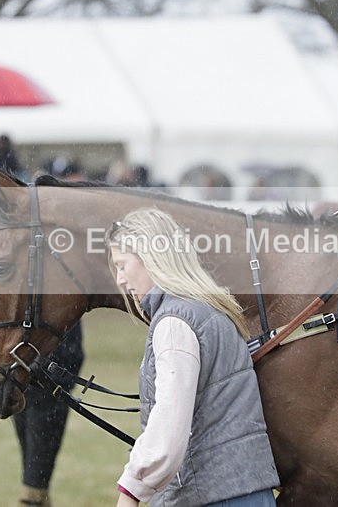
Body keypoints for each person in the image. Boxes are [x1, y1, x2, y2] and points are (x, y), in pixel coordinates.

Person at [105, 208, 279, 506]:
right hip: (247, 490)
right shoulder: (211, 309)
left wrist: (131, 491)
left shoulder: (175, 322)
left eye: (122, 264)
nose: (120, 279)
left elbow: (169, 423)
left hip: (211, 496)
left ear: (148, 256)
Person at [13, 323, 84, 506]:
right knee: (33, 471)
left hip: (47, 388)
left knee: (35, 479)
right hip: (23, 385)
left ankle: (33, 498)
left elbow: (72, 351)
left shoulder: (62, 300)